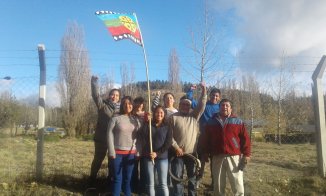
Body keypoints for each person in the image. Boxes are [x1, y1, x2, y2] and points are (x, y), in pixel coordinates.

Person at [201, 98, 251, 196]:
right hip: (217, 156)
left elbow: (246, 139)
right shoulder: (211, 121)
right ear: (219, 108)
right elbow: (206, 139)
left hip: (234, 156)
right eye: (222, 105)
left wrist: (247, 154)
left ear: (231, 108)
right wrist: (205, 152)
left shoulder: (238, 121)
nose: (224, 107)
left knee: (237, 183)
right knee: (218, 185)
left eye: (227, 105)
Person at [169, 82, 207, 196]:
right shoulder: (173, 117)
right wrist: (176, 147)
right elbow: (169, 136)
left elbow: (202, 104)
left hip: (191, 154)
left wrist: (204, 90)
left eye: (187, 105)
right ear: (179, 105)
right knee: (178, 178)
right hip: (177, 154)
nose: (185, 106)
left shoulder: (194, 115)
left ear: (190, 107)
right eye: (183, 104)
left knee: (192, 178)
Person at [107, 96, 142, 196]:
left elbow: (140, 135)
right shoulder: (115, 118)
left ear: (133, 105)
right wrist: (111, 151)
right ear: (122, 105)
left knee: (128, 178)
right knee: (117, 178)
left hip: (131, 154)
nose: (127, 106)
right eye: (125, 103)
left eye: (129, 103)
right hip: (117, 153)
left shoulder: (135, 119)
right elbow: (109, 133)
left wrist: (138, 151)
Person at [89, 75, 120, 186]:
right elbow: (95, 95)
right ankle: (92, 179)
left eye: (117, 95)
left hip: (115, 140)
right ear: (109, 96)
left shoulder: (121, 109)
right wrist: (94, 82)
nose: (114, 97)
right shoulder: (102, 105)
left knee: (112, 160)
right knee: (98, 160)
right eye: (112, 94)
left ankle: (110, 180)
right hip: (101, 138)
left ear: (119, 97)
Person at [138, 105, 172, 196]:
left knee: (163, 184)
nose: (159, 114)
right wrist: (146, 122)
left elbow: (168, 143)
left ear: (164, 114)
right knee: (150, 184)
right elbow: (142, 135)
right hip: (148, 157)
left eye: (161, 112)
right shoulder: (149, 124)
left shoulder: (167, 126)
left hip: (162, 158)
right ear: (153, 113)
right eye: (157, 112)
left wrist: (157, 153)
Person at [131, 96, 146, 194]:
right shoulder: (131, 115)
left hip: (144, 145)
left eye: (141, 103)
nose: (139, 105)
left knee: (144, 168)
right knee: (134, 167)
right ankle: (133, 186)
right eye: (137, 103)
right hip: (133, 144)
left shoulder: (146, 115)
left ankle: (142, 187)